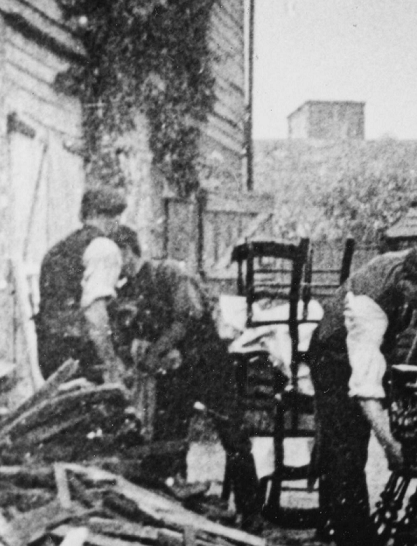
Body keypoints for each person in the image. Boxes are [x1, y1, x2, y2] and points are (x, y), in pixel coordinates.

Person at [109, 230, 259, 515]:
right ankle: (182, 510)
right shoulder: (127, 290)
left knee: (233, 435)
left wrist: (154, 352)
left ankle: (251, 512)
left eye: (117, 257)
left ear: (128, 250)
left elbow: (186, 318)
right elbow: (125, 337)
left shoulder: (168, 273)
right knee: (169, 440)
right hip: (174, 371)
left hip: (206, 361)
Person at [309, 245, 417, 544]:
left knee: (347, 444)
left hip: (366, 345)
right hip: (332, 353)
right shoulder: (368, 309)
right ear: (404, 282)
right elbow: (365, 389)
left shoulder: (411, 263)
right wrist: (389, 445)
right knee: (348, 444)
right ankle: (355, 538)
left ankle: (331, 523)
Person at [35, 186, 134, 386]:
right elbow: (95, 314)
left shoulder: (56, 249)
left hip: (50, 355)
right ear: (114, 218)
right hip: (83, 356)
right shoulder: (104, 248)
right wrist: (111, 363)